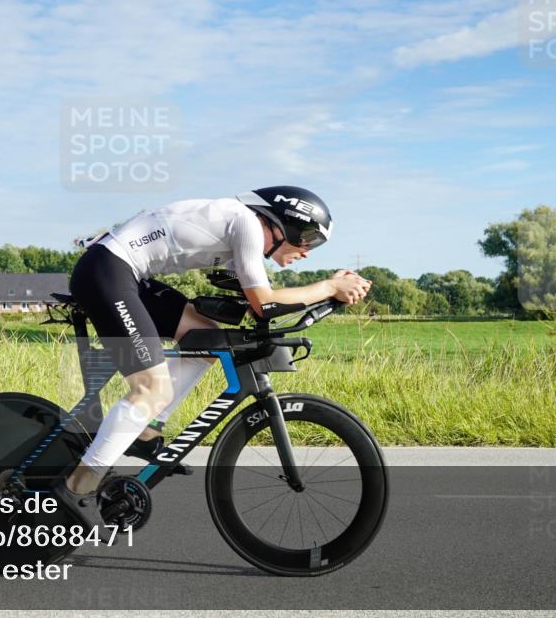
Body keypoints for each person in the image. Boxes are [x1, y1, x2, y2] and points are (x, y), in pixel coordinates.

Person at [52, 186, 372, 532]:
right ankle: (76, 488)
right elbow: (265, 303)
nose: (307, 252)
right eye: (308, 239)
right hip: (108, 271)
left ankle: (146, 430)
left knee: (206, 341)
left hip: (125, 274)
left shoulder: (241, 232)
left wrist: (331, 290)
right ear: (284, 224)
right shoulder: (247, 224)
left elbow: (259, 307)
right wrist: (327, 288)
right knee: (150, 389)